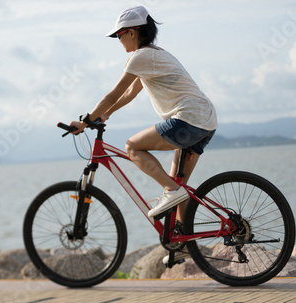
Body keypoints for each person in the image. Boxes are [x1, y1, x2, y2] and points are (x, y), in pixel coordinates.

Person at [70, 6, 217, 223]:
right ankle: (184, 241)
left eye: (119, 35)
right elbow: (130, 93)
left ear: (132, 32)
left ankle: (172, 191)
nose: (118, 40)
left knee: (132, 147)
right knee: (178, 185)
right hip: (206, 121)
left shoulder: (141, 57)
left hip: (188, 120)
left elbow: (113, 94)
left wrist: (86, 121)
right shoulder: (155, 55)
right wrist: (106, 115)